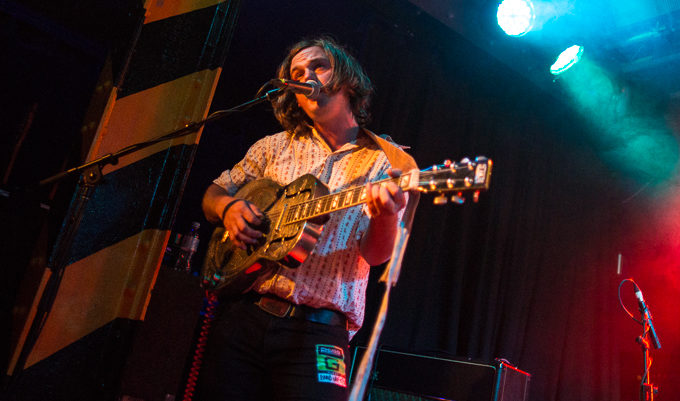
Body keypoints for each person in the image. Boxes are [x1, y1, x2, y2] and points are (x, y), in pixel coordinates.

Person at [197, 36, 412, 401]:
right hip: (244, 317)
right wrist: (228, 209)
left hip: (320, 333)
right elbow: (213, 194)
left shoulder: (387, 162)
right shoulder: (272, 147)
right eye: (296, 73)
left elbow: (376, 255)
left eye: (318, 66)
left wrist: (386, 215)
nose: (305, 76)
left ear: (347, 79)